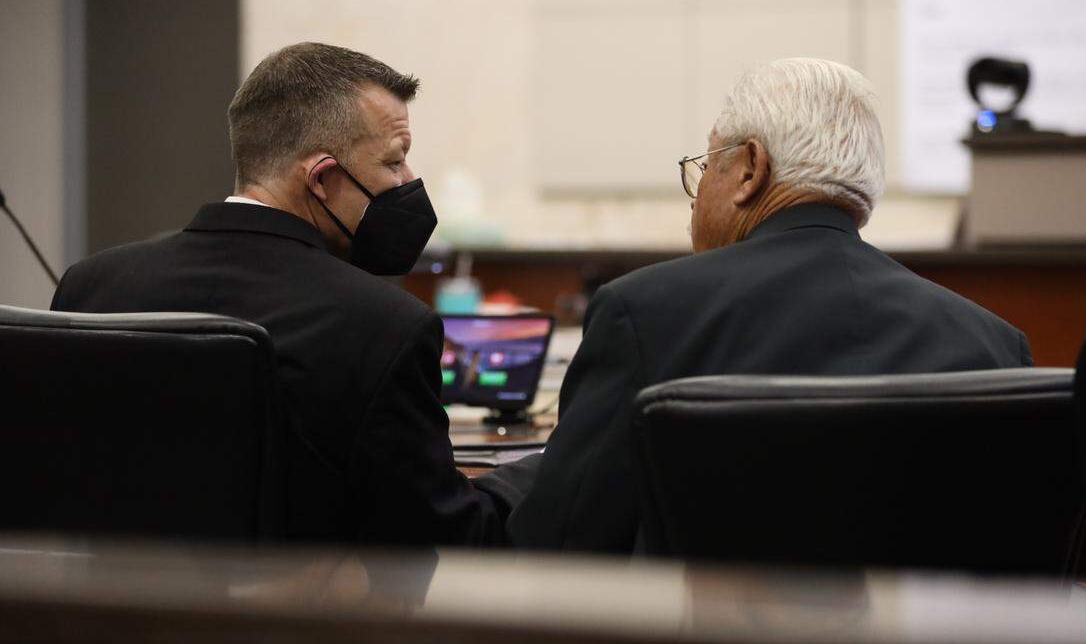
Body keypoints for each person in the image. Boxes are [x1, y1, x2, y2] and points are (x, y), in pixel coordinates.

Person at [497, 58, 1034, 554]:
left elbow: (559, 543)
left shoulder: (644, 313)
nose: (697, 191)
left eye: (706, 165)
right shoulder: (993, 344)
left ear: (752, 168)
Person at [51, 42, 512, 546]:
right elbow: (446, 534)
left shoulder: (89, 287)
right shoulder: (385, 325)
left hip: (98, 615)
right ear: (322, 179)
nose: (410, 181)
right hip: (300, 621)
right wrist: (535, 476)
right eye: (395, 162)